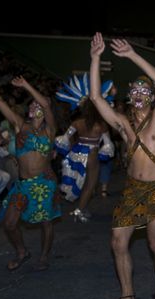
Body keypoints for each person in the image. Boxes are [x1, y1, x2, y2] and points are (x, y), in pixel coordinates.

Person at [89, 33, 155, 299]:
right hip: (131, 190)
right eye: (134, 90)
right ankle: (127, 297)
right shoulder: (124, 125)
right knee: (117, 241)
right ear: (129, 95)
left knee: (154, 242)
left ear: (151, 97)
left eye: (144, 90)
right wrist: (96, 57)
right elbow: (95, 97)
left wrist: (132, 55)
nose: (139, 94)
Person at [0, 58, 61, 272]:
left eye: (39, 104)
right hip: (23, 184)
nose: (36, 105)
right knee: (9, 223)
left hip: (44, 183)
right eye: (32, 103)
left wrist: (26, 86)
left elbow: (45, 102)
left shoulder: (50, 130)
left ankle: (44, 256)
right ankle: (22, 252)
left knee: (46, 223)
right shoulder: (20, 126)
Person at [55, 73, 115, 222]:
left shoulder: (77, 123)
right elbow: (107, 144)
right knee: (90, 185)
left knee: (79, 183)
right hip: (92, 154)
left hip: (76, 153)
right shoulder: (101, 125)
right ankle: (79, 211)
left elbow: (65, 138)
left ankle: (81, 208)